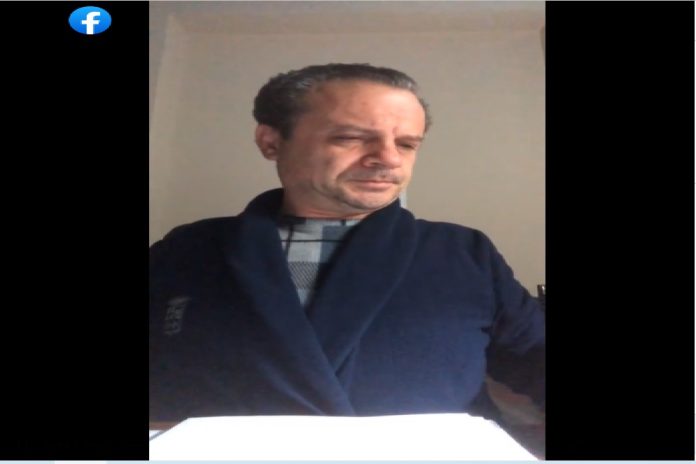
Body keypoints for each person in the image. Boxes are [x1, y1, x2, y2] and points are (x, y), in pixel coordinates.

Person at [149, 63, 545, 424]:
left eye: (407, 144)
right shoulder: (189, 249)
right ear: (271, 142)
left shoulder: (463, 252)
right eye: (351, 138)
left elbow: (534, 356)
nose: (388, 159)